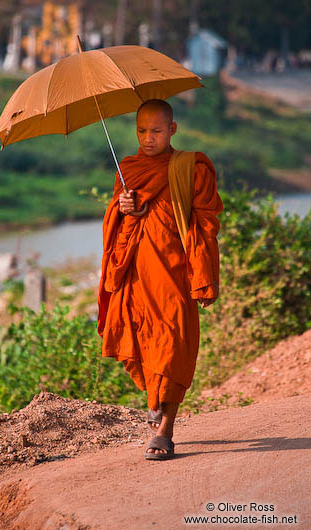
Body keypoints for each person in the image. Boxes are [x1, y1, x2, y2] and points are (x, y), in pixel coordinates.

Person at [97, 99, 223, 460]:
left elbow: (207, 222)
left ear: (173, 130)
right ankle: (155, 398)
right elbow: (117, 221)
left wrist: (203, 272)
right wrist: (125, 210)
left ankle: (165, 431)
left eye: (155, 130)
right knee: (135, 339)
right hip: (136, 274)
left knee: (172, 345)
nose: (148, 138)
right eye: (141, 130)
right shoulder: (130, 169)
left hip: (175, 272)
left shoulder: (190, 168)